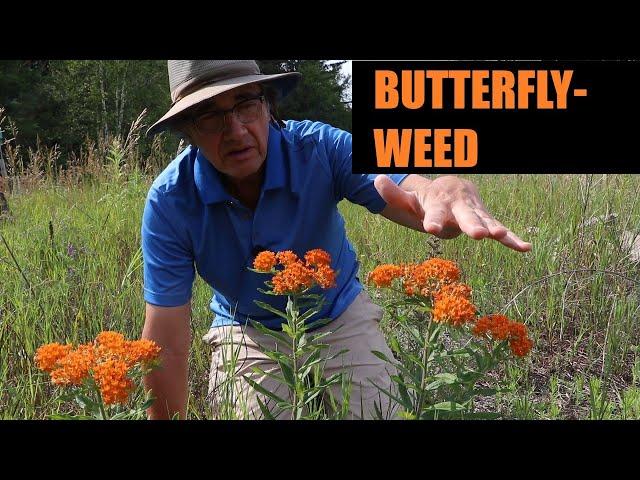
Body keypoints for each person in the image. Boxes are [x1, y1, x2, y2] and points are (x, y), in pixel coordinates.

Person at [141, 60, 532, 420]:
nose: (237, 130)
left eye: (246, 104)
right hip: (248, 328)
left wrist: (439, 189)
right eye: (210, 115)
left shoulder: (320, 148)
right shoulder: (170, 203)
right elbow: (168, 345)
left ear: (269, 105)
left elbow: (400, 185)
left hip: (339, 314)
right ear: (188, 130)